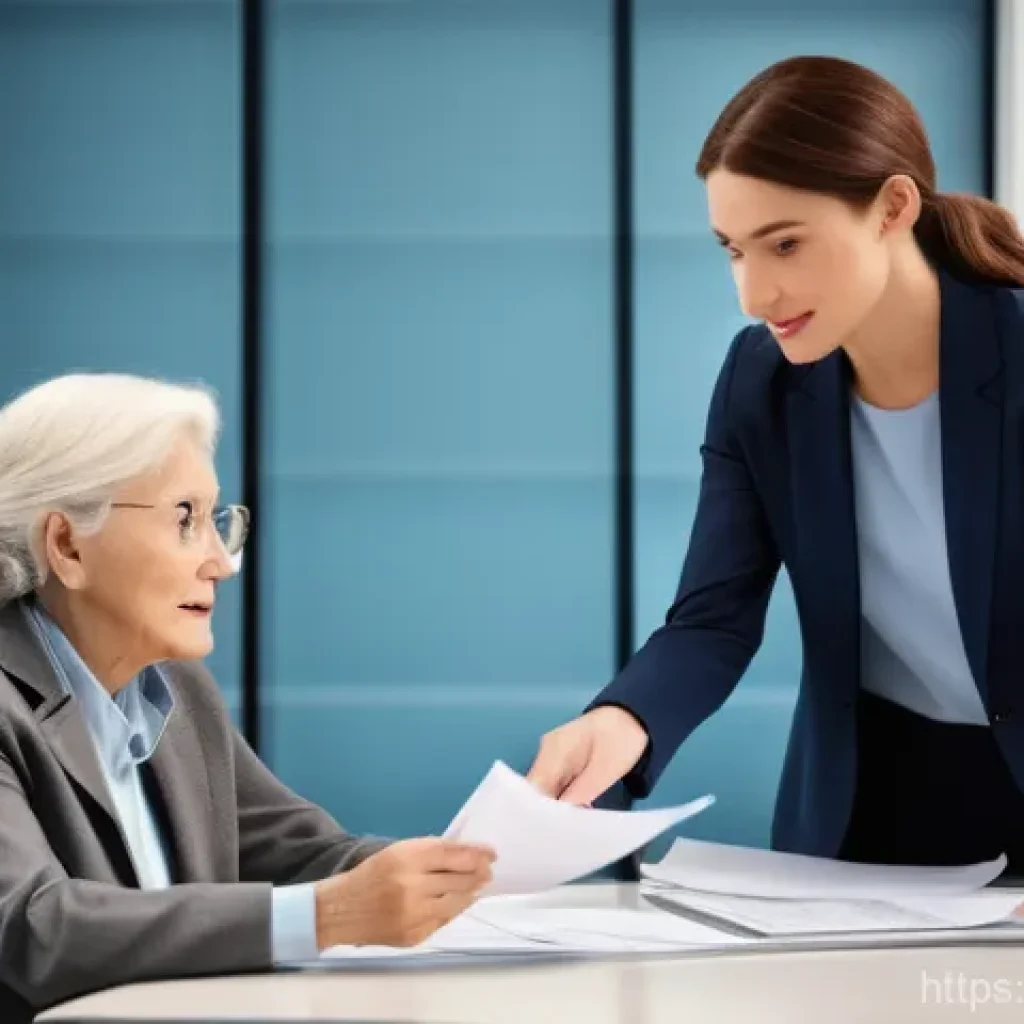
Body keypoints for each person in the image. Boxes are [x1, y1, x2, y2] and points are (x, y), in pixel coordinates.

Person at [527, 55, 1024, 872]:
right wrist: (621, 720)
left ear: (894, 207)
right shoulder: (759, 385)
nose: (755, 295)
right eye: (734, 251)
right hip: (881, 807)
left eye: (786, 244)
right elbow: (713, 619)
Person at [0, 374, 495, 1022]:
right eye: (185, 519)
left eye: (217, 521)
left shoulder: (176, 688)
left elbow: (301, 856)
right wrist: (329, 914)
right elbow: (36, 930)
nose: (221, 562)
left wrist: (457, 869)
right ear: (66, 545)